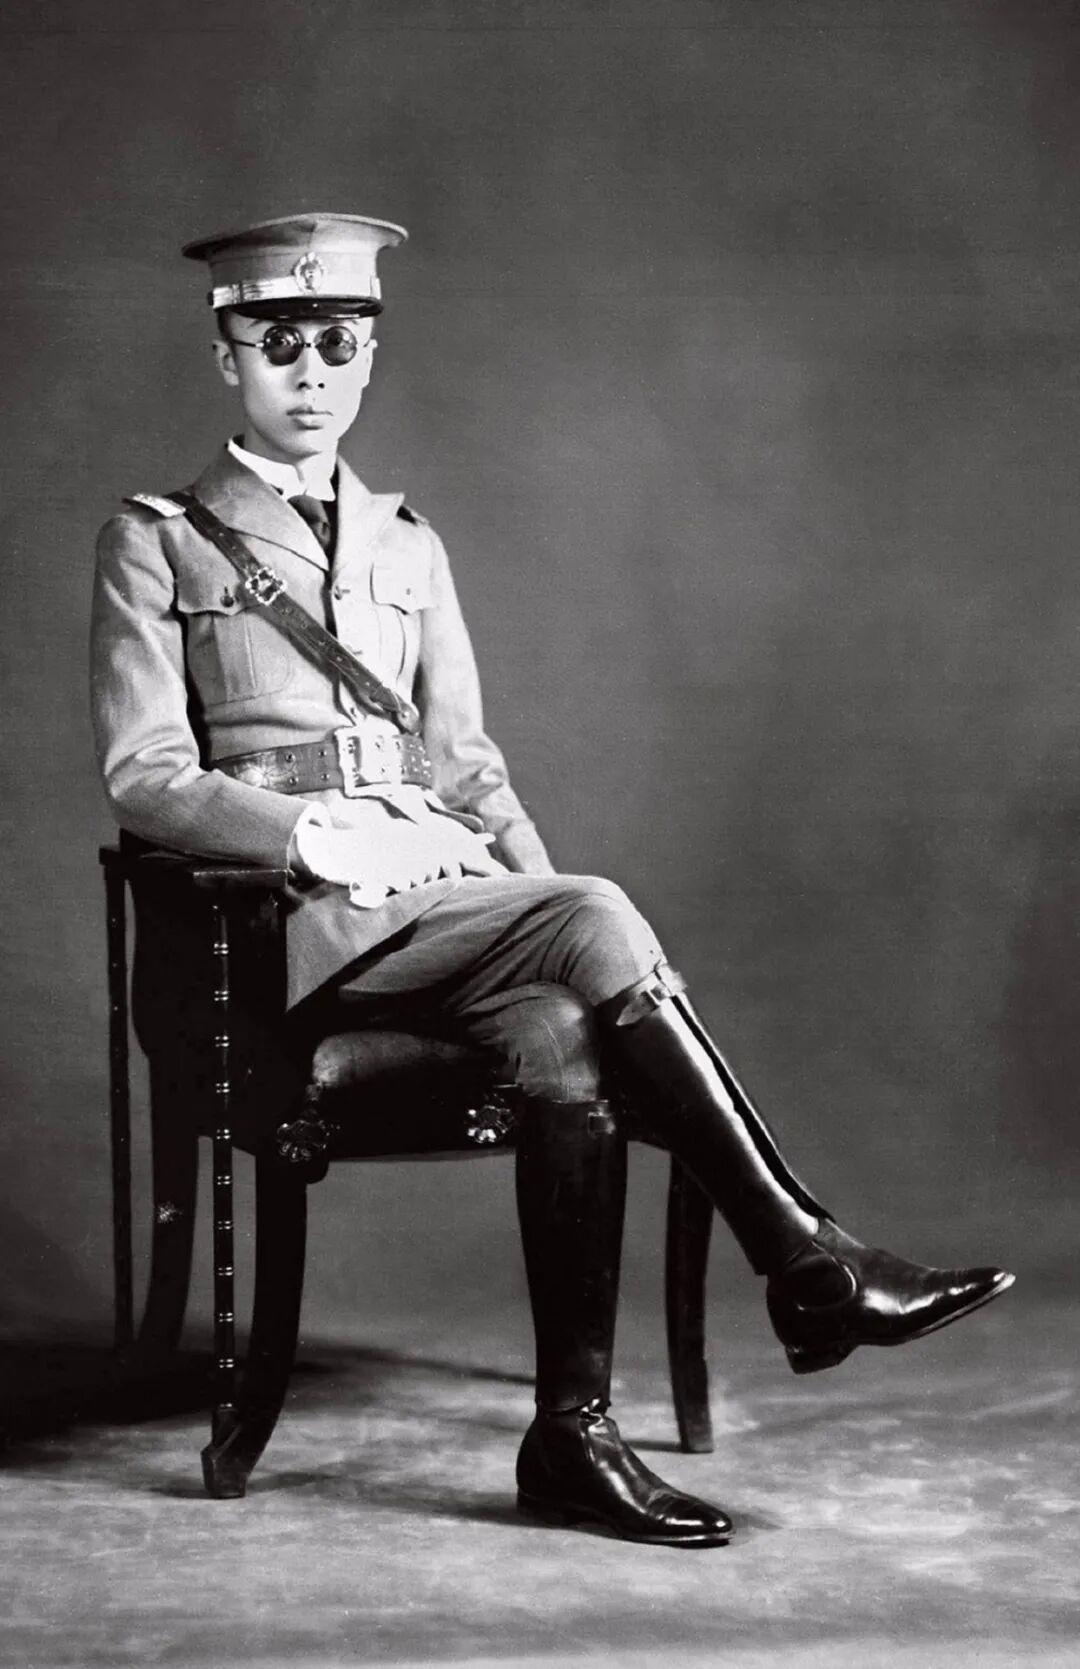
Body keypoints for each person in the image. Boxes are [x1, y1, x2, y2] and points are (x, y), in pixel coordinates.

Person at [91, 211, 1013, 1549]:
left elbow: (469, 767)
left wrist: (531, 908)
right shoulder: (160, 537)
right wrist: (314, 839)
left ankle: (570, 1439)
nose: (311, 371)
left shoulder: (409, 542)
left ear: (370, 358)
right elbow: (145, 776)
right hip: (292, 926)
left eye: (339, 342)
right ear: (225, 354)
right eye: (279, 342)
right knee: (592, 910)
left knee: (564, 1021)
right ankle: (810, 1260)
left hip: (443, 903)